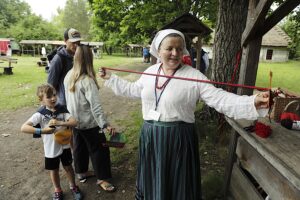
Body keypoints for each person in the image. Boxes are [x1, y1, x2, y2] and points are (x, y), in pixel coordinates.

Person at [99, 29, 269, 200]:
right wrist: (112, 78)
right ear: (159, 50)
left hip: (178, 138)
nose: (175, 53)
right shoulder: (150, 72)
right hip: (150, 136)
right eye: (169, 48)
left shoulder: (193, 76)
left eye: (179, 49)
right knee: (154, 176)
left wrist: (252, 101)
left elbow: (220, 98)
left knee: (178, 182)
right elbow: (134, 90)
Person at [64, 44, 117, 192]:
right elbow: (96, 107)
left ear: (76, 57)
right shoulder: (87, 80)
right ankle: (102, 178)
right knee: (100, 150)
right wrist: (105, 124)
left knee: (80, 147)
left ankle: (81, 172)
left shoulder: (69, 75)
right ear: (89, 58)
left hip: (75, 123)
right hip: (89, 124)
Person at [20, 84, 82, 200]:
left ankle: (73, 186)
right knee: (54, 170)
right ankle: (57, 190)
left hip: (65, 146)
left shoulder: (62, 110)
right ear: (41, 100)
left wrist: (61, 123)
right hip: (50, 149)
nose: (53, 98)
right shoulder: (40, 114)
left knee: (68, 167)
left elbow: (74, 122)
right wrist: (43, 130)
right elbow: (24, 127)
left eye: (54, 95)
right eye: (49, 96)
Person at [47, 28, 82, 107]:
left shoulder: (78, 56)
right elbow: (50, 85)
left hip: (78, 101)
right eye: (73, 42)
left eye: (78, 42)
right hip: (65, 104)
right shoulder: (58, 60)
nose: (76, 45)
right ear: (65, 41)